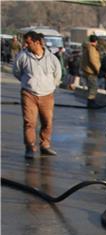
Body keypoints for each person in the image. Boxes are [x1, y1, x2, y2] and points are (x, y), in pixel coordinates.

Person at [13, 31, 62, 159]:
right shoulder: (23, 56)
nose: (26, 45)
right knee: (30, 122)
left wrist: (51, 86)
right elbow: (17, 72)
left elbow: (58, 75)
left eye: (29, 43)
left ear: (38, 42)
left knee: (47, 121)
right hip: (29, 94)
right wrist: (28, 83)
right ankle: (30, 147)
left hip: (47, 95)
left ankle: (45, 145)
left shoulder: (52, 58)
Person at [81, 34, 101, 108]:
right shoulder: (91, 48)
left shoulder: (86, 47)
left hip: (87, 70)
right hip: (91, 71)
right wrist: (98, 70)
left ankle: (91, 103)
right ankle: (91, 103)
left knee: (91, 87)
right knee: (93, 87)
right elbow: (93, 60)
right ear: (96, 41)